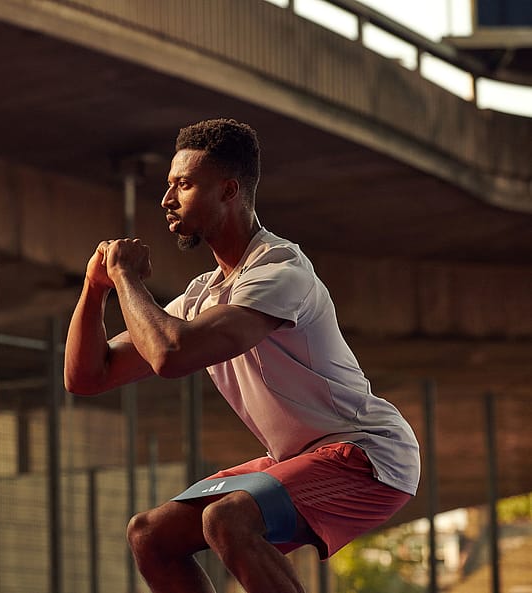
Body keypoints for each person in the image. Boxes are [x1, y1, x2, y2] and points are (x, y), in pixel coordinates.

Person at [63, 118, 420, 593]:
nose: (167, 200)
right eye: (169, 186)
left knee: (228, 519)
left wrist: (127, 278)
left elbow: (171, 354)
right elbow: (87, 377)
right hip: (297, 456)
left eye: (184, 185)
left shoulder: (280, 271)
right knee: (150, 535)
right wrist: (95, 288)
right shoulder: (201, 296)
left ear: (229, 190)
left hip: (370, 455)